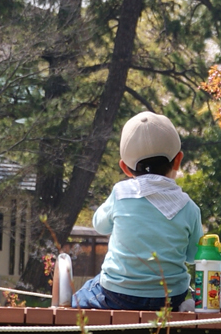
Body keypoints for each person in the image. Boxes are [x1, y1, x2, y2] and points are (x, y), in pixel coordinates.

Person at [70, 111, 205, 311]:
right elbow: (194, 256)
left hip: (117, 295)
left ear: (125, 168)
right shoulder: (189, 207)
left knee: (77, 298)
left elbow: (99, 224)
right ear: (178, 160)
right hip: (170, 298)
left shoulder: (120, 193)